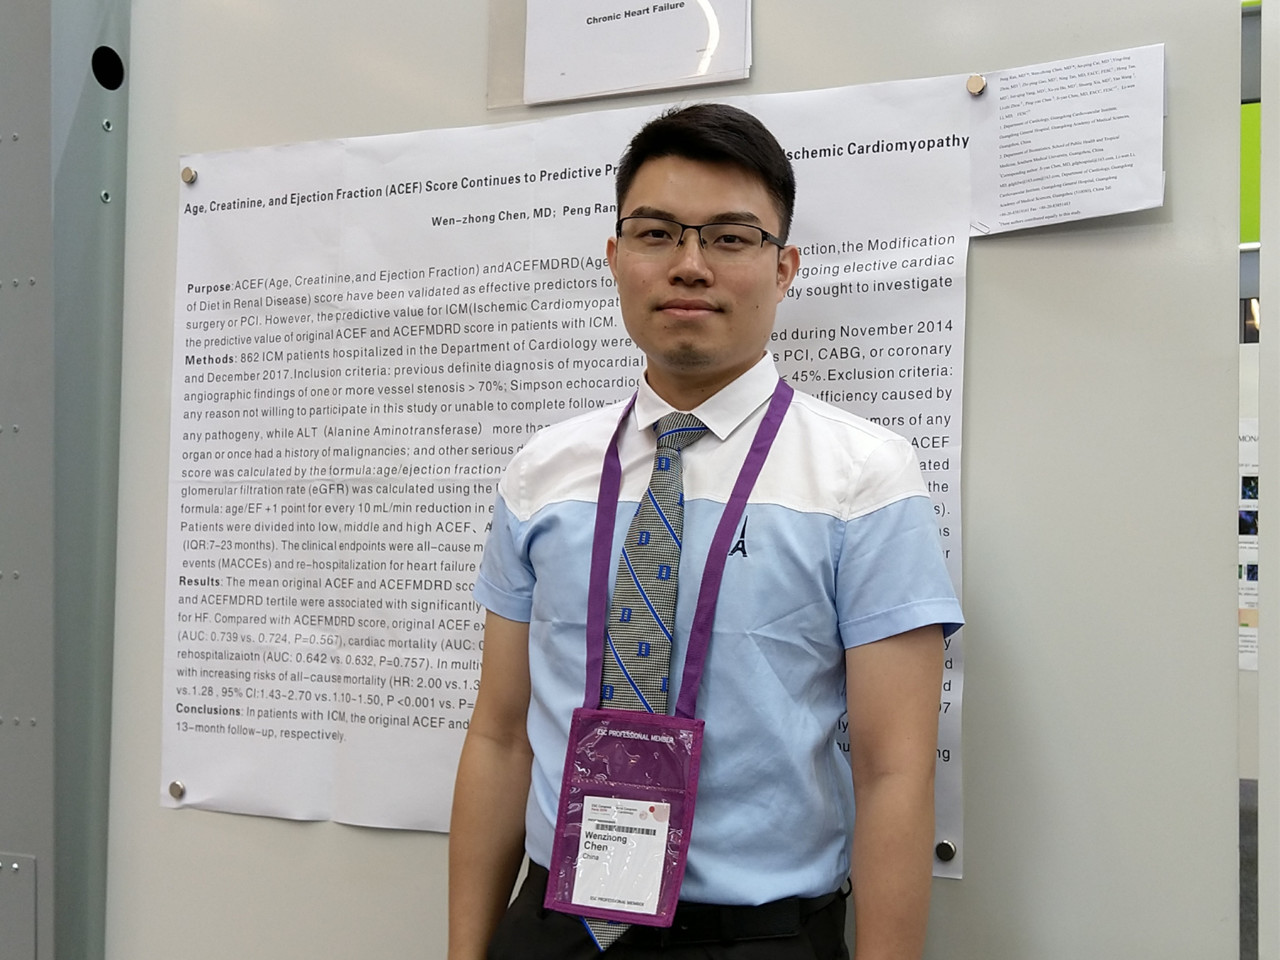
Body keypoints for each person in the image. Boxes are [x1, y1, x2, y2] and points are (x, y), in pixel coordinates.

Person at [449, 103, 963, 960]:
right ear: (615, 257)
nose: (689, 265)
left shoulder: (864, 479)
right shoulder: (544, 472)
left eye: (730, 237)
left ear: (783, 267)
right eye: (656, 234)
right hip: (555, 925)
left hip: (753, 937)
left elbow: (894, 774)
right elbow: (499, 736)